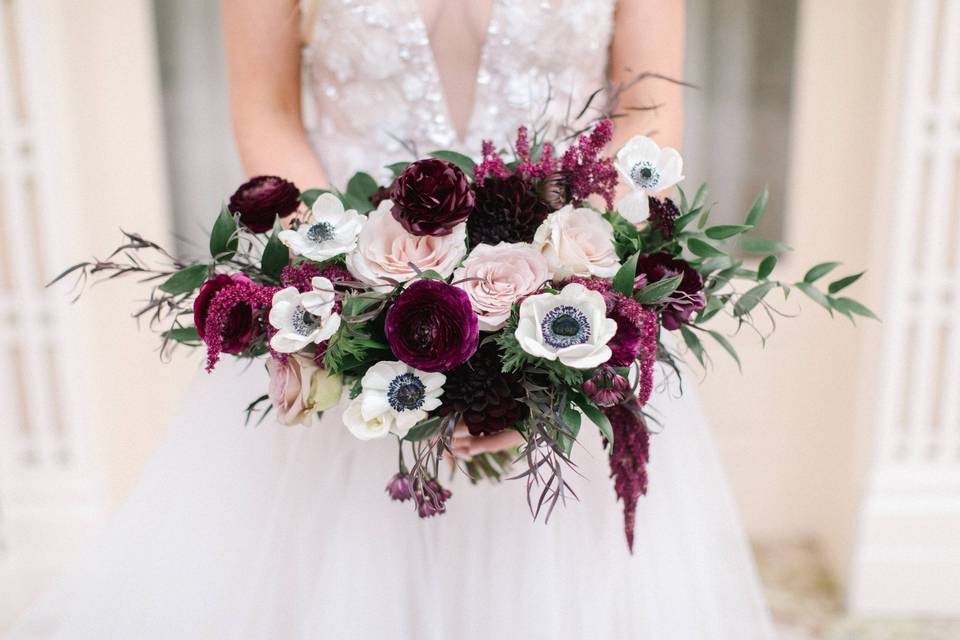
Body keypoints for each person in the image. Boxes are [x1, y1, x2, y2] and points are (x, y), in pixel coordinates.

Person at [8, 1, 775, 637]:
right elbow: (266, 107)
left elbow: (647, 103)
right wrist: (352, 292)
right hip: (350, 309)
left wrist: (564, 295)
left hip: (562, 306)